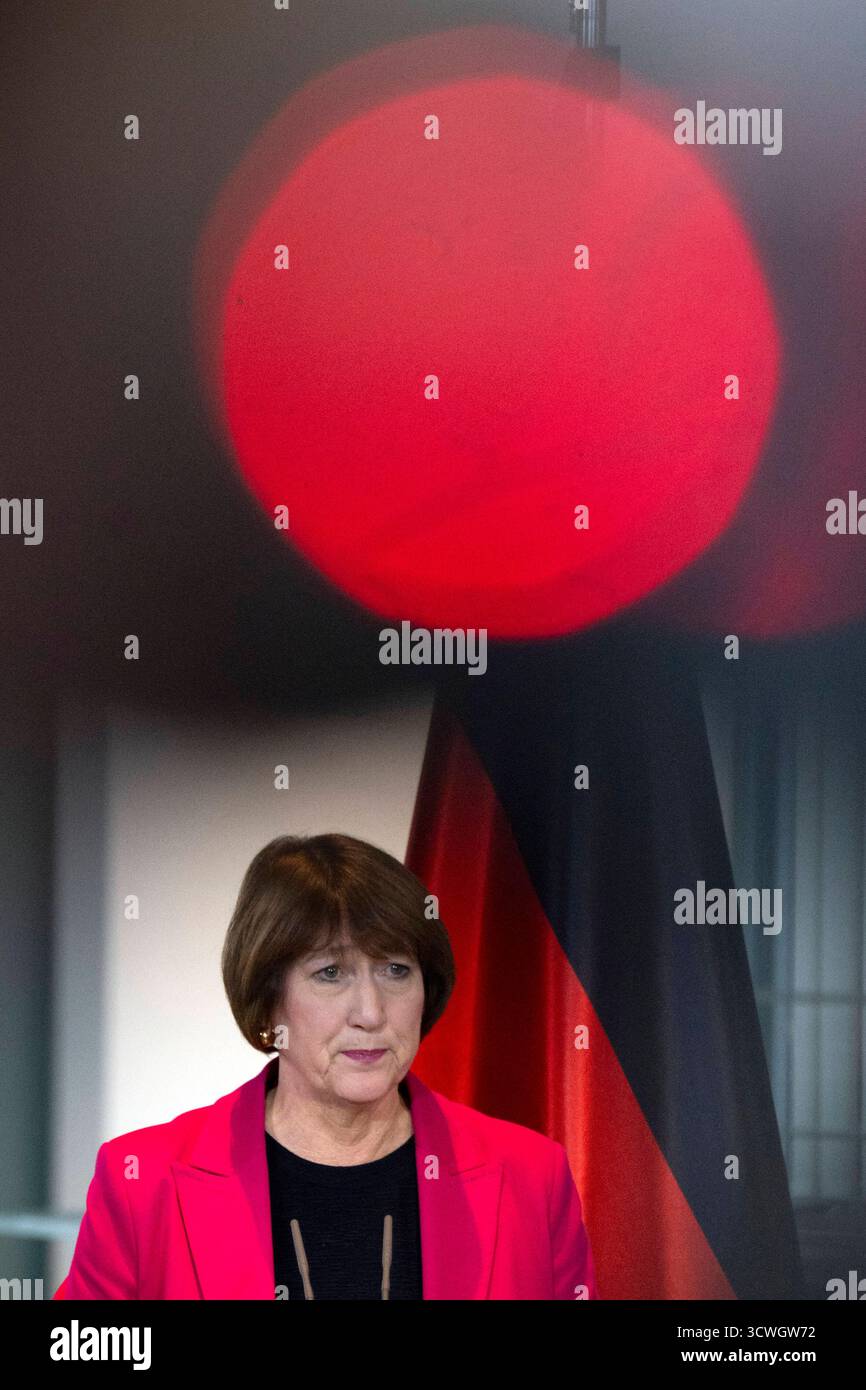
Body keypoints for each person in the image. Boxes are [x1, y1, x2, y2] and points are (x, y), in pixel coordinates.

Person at [53, 833, 598, 1299]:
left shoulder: (533, 1177)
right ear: (270, 998)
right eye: (331, 972)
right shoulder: (141, 1184)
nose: (371, 1012)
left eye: (395, 969)